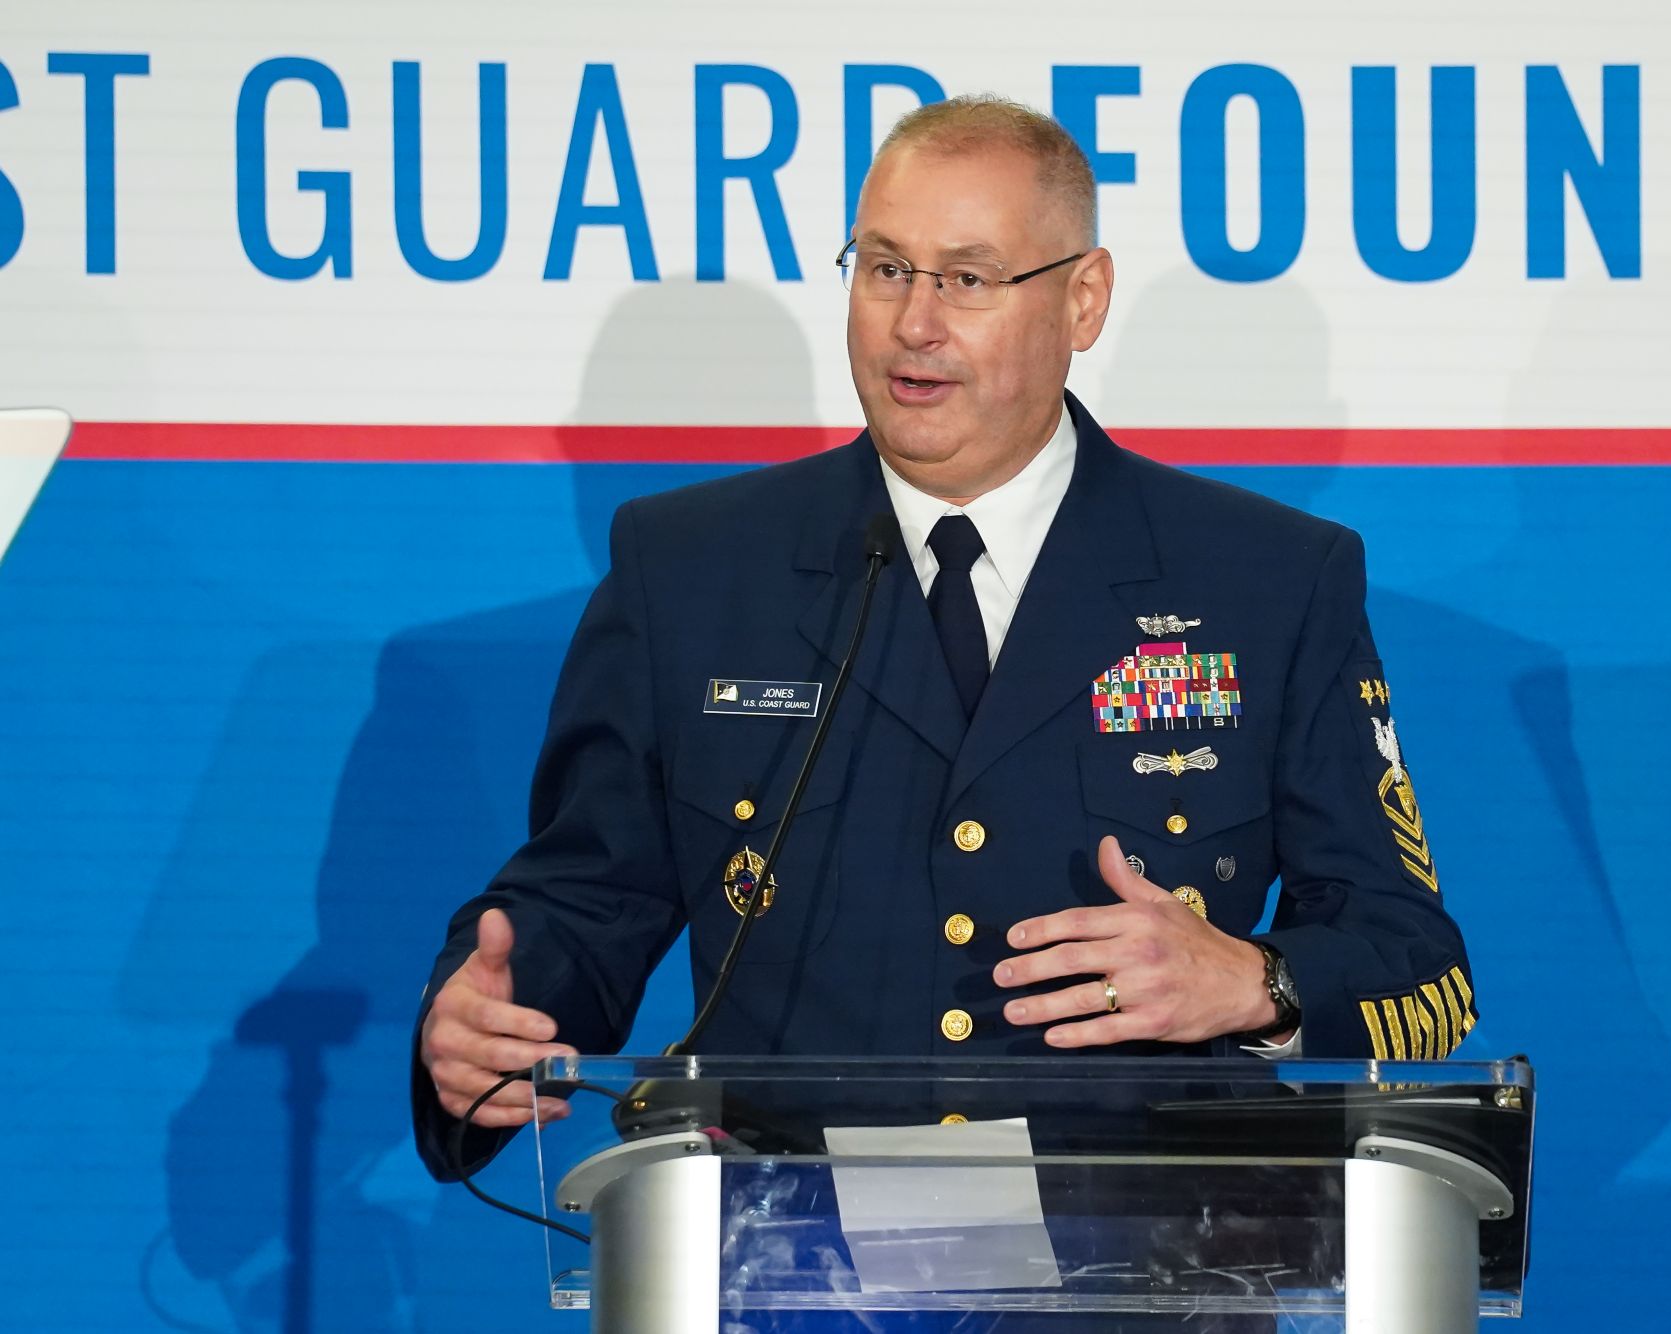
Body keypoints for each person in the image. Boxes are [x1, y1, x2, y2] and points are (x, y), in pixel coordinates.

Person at [412, 96, 1475, 1178]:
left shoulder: (1266, 580)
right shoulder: (689, 567)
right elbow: (586, 897)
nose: (913, 322)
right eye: (883, 268)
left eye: (966, 279)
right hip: (785, 1262)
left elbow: (1416, 965)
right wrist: (497, 1012)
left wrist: (1257, 981)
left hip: (1144, 1264)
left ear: (1083, 299)